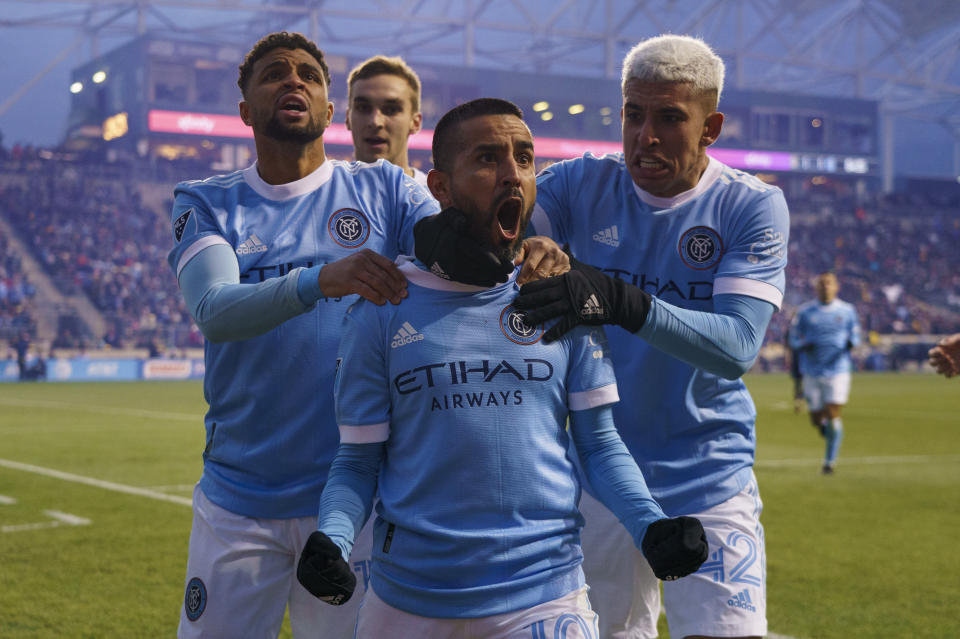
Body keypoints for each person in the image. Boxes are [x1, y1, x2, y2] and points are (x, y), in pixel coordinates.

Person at [168, 32, 567, 639]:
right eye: (275, 74)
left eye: (308, 74)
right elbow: (216, 310)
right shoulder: (207, 201)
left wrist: (519, 249)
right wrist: (321, 280)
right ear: (245, 110)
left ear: (330, 112)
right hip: (240, 497)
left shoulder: (383, 188)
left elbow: (457, 245)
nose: (293, 81)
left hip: (355, 500)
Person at [296, 98, 708, 638]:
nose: (513, 174)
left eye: (524, 157)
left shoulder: (559, 298)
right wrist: (333, 536)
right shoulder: (383, 305)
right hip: (407, 601)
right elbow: (357, 462)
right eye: (488, 159)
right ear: (440, 187)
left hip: (544, 596)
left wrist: (650, 523)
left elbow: (600, 446)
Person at [509, 34, 790, 639]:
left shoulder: (750, 207)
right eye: (635, 115)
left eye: (670, 118)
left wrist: (622, 301)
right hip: (598, 475)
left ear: (710, 126)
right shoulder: (578, 186)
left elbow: (738, 345)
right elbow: (496, 237)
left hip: (709, 475)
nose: (647, 135)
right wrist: (528, 247)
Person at [789, 272, 861, 474]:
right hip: (811, 371)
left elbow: (855, 335)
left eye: (829, 283)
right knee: (816, 418)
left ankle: (830, 462)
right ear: (816, 287)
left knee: (833, 413)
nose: (825, 287)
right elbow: (793, 339)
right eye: (821, 283)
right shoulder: (804, 312)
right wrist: (804, 345)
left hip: (838, 370)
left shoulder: (847, 311)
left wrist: (850, 343)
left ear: (836, 287)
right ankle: (826, 430)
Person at [346, 55, 427, 186]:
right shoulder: (321, 197)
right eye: (363, 108)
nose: (375, 122)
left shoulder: (438, 202)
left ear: (415, 123)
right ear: (347, 118)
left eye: (391, 110)